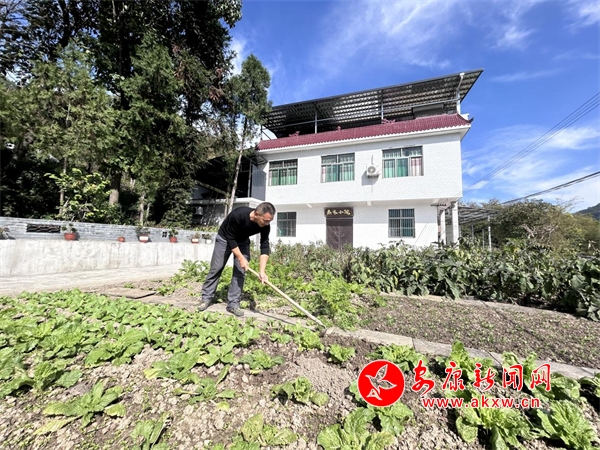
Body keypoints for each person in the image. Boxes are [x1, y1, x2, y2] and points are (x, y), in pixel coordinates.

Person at [198, 202, 275, 317]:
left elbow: (264, 245)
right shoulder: (238, 215)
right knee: (216, 267)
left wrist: (262, 271)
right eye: (265, 220)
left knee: (240, 271)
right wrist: (241, 258)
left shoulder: (265, 225)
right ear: (257, 214)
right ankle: (206, 298)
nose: (267, 223)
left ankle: (233, 304)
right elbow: (230, 238)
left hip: (242, 241)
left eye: (269, 221)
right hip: (225, 239)